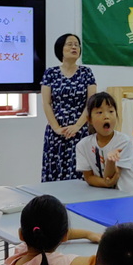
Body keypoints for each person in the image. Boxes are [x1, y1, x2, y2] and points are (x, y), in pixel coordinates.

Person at [41, 33, 97, 182]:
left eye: (77, 45)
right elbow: (46, 103)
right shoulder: (50, 73)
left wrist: (77, 126)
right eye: (70, 44)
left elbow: (90, 102)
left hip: (81, 130)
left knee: (79, 173)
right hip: (56, 132)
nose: (74, 47)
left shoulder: (86, 72)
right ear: (60, 48)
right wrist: (56, 128)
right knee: (55, 173)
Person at [76, 92, 133, 198]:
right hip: (108, 196)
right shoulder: (82, 145)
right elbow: (89, 177)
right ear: (89, 119)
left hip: (132, 196)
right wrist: (105, 183)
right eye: (99, 112)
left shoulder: (123, 141)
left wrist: (110, 161)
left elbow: (112, 177)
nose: (106, 116)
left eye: (111, 111)